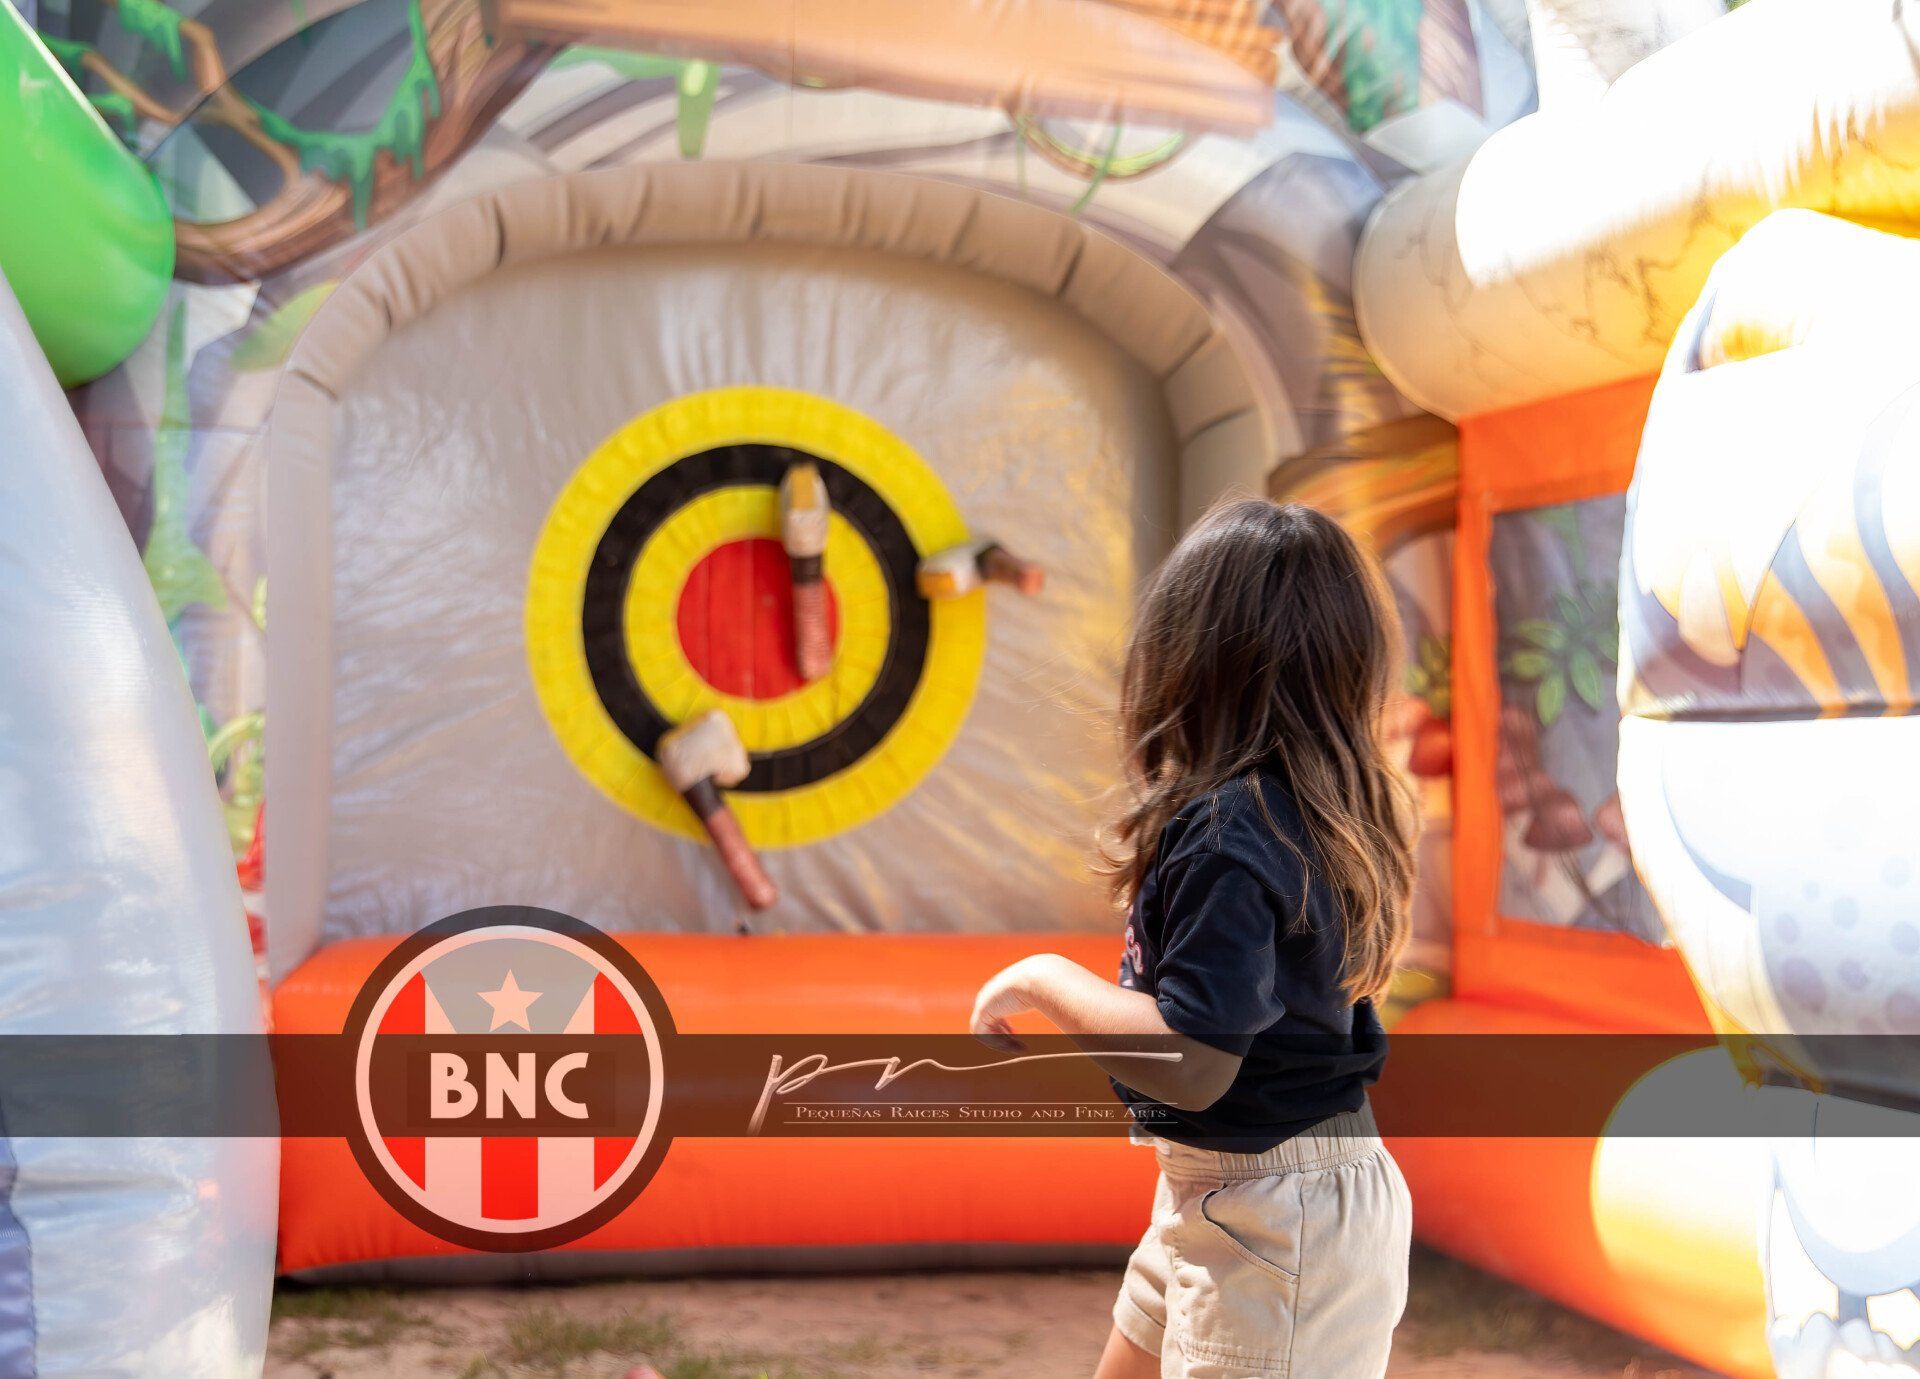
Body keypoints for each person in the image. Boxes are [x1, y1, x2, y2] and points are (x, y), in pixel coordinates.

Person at [969, 498, 1417, 1379]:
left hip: (1275, 1220)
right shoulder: (1291, 814)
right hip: (1234, 1189)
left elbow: (1196, 1060)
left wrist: (1042, 977)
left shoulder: (1231, 830)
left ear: (1187, 657)